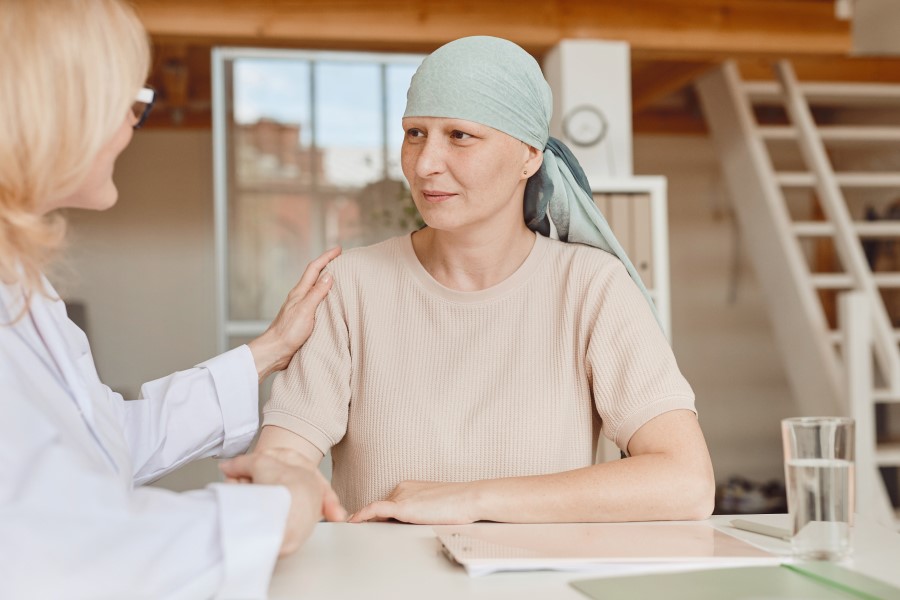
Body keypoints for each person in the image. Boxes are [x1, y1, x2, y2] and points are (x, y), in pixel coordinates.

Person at [255, 36, 715, 524]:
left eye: (459, 135)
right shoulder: (348, 286)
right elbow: (284, 455)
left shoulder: (591, 287)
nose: (426, 163)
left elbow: (686, 483)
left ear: (529, 156)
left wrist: (472, 499)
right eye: (415, 133)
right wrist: (283, 485)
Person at [0, 1, 344, 598]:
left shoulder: (22, 286)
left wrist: (268, 351)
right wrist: (280, 510)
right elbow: (51, 553)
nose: (135, 120)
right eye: (128, 98)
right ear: (58, 107)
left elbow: (104, 444)